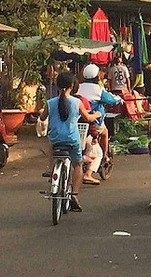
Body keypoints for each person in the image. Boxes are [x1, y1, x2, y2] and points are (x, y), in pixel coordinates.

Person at [40, 71, 101, 212]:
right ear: (72, 86)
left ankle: (51, 169)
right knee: (78, 164)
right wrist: (97, 114)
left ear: (56, 84)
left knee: (50, 143)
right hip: (72, 140)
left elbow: (43, 118)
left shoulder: (50, 103)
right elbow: (88, 118)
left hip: (56, 139)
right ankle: (74, 194)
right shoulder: (77, 102)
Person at [76, 63, 123, 164]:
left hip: (77, 121)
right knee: (105, 132)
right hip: (94, 121)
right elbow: (112, 100)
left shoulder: (78, 87)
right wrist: (119, 99)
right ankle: (104, 157)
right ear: (97, 76)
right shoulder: (98, 90)